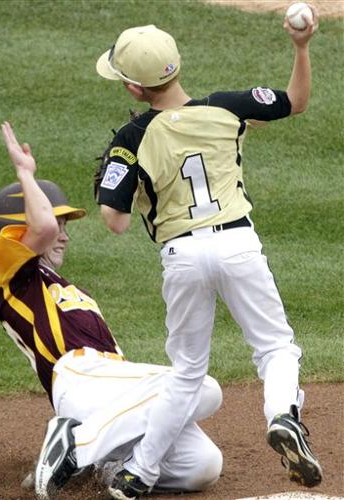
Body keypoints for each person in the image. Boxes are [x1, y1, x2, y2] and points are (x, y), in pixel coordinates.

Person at [94, 11, 322, 500]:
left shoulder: (130, 139)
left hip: (182, 254)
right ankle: (282, 414)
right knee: (276, 348)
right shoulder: (227, 108)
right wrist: (301, 46)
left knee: (187, 371)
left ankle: (139, 473)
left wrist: (124, 185)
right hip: (239, 244)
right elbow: (296, 102)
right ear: (176, 68)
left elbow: (115, 223)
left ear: (134, 89)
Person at [0, 122, 223, 500]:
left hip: (111, 392)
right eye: (59, 224)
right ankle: (75, 445)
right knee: (203, 387)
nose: (63, 233)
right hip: (79, 377)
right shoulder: (12, 275)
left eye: (65, 225)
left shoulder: (68, 288)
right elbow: (43, 227)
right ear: (15, 230)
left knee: (203, 465)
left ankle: (101, 463)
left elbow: (45, 228)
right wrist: (25, 174)